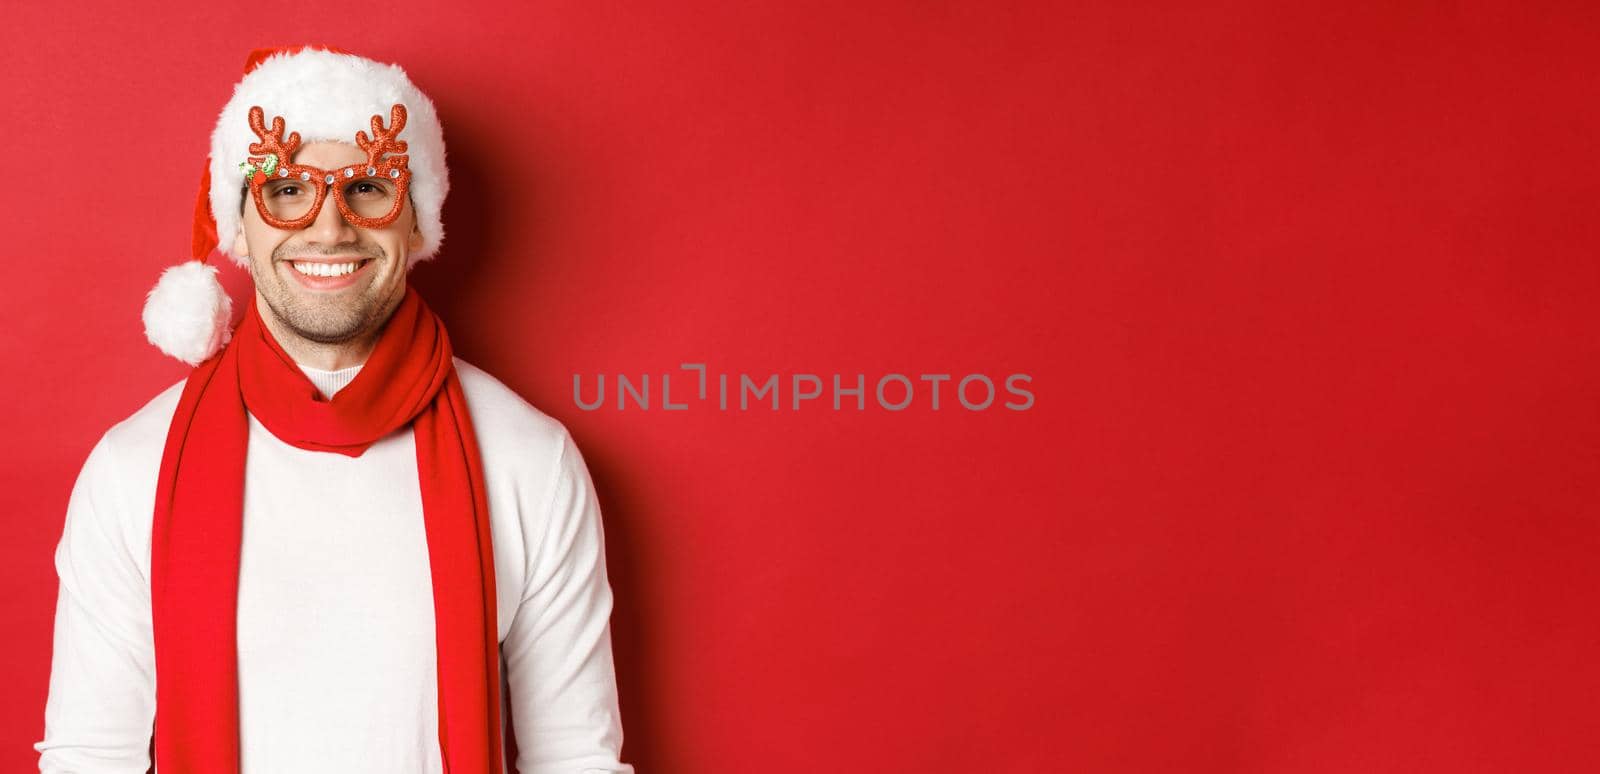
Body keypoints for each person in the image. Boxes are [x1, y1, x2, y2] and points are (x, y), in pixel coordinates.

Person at [34, 45, 633, 774]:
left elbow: (577, 758)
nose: (328, 229)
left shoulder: (528, 459)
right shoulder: (133, 469)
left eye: (368, 188)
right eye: (286, 190)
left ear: (416, 223)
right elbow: (89, 759)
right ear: (237, 227)